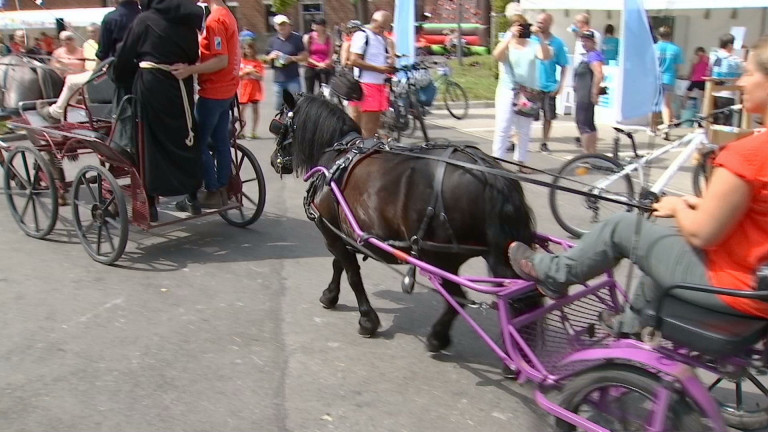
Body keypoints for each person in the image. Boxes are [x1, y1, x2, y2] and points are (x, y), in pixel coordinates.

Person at [508, 35, 768, 331]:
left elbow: (702, 235)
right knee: (661, 244)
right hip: (757, 284)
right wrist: (703, 206)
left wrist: (678, 207)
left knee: (623, 227)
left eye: (748, 73)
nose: (741, 83)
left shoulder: (748, 153)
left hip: (735, 286)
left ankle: (552, 273)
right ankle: (632, 325)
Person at [112, 0, 204, 222]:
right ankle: (192, 197)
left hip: (152, 86)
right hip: (181, 85)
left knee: (148, 143)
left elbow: (124, 57)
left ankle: (150, 204)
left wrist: (119, 76)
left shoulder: (144, 20)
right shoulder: (187, 22)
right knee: (184, 137)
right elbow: (193, 55)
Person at [170, 0, 240, 212]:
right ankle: (222, 188)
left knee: (197, 144)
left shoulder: (215, 20)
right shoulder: (227, 15)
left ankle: (211, 190)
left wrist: (190, 70)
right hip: (226, 89)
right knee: (220, 142)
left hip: (214, 92)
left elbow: (221, 60)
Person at [491, 13, 552, 173]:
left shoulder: (533, 44)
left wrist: (539, 35)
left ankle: (521, 161)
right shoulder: (507, 44)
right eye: (517, 26)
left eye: (523, 26)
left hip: (527, 93)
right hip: (508, 90)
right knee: (503, 127)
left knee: (524, 129)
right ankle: (497, 161)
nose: (521, 29)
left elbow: (545, 56)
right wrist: (509, 35)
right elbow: (497, 55)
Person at [36, 26, 101, 123]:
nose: (92, 34)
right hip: (88, 74)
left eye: (94, 32)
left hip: (98, 73)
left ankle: (56, 113)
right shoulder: (87, 45)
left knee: (71, 80)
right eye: (90, 32)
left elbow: (100, 61)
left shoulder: (89, 47)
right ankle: (69, 112)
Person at [348, 10, 396, 138]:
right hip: (366, 85)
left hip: (379, 85)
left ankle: (362, 150)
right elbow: (354, 60)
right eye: (380, 27)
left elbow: (384, 57)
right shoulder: (362, 35)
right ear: (373, 21)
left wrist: (390, 62)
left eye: (385, 28)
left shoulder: (382, 39)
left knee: (372, 125)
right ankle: (363, 153)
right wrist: (379, 69)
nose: (382, 31)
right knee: (366, 127)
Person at [533, 12, 568, 154]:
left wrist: (560, 85)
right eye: (538, 22)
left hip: (549, 85)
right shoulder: (532, 40)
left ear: (549, 24)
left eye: (542, 22)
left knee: (548, 117)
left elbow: (564, 66)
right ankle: (518, 140)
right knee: (527, 115)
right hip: (532, 85)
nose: (539, 25)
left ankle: (544, 142)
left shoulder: (557, 43)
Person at [265, 15, 308, 111]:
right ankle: (283, 125)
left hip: (293, 78)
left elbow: (305, 57)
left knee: (297, 105)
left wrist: (291, 59)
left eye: (284, 24)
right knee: (280, 108)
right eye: (279, 25)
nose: (282, 27)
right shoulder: (272, 41)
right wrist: (270, 57)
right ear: (275, 26)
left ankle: (296, 125)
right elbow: (265, 59)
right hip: (278, 80)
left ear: (289, 25)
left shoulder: (296, 39)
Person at [573, 30, 603, 154]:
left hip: (585, 96)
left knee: (583, 124)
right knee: (589, 124)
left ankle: (586, 154)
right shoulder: (589, 55)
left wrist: (594, 92)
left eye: (587, 40)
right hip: (584, 94)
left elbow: (599, 73)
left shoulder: (593, 56)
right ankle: (592, 153)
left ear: (593, 42)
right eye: (583, 40)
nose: (584, 43)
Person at [710, 33, 745, 126]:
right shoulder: (734, 60)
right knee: (726, 123)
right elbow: (745, 67)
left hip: (713, 93)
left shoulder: (713, 56)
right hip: (727, 94)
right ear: (730, 45)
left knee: (714, 121)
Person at [654, 26, 683, 127]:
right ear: (670, 36)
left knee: (656, 104)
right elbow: (678, 67)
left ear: (658, 35)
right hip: (669, 78)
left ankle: (657, 126)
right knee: (666, 103)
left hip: (656, 78)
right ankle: (669, 123)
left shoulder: (654, 47)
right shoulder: (676, 49)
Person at [237, 38, 264, 139]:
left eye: (250, 49)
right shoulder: (242, 61)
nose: (248, 51)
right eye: (246, 49)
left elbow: (260, 76)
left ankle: (253, 131)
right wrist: (247, 72)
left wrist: (252, 72)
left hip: (254, 89)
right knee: (241, 111)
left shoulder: (257, 62)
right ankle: (241, 131)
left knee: (255, 110)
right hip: (244, 89)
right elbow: (239, 75)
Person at [340, 20, 363, 123]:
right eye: (352, 31)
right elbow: (344, 62)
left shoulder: (363, 42)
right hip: (352, 77)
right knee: (354, 112)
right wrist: (357, 62)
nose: (355, 34)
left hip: (363, 77)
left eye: (357, 31)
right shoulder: (348, 44)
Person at [303, 17, 334, 94]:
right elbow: (305, 55)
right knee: (309, 92)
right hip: (311, 67)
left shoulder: (329, 37)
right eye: (314, 24)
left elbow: (331, 54)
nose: (314, 26)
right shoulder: (308, 37)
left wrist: (326, 63)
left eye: (317, 24)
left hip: (325, 68)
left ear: (323, 26)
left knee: (324, 92)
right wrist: (318, 64)